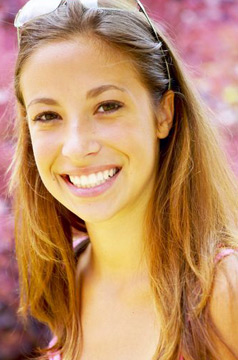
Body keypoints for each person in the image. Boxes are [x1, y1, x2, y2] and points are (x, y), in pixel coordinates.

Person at [10, 0, 238, 359]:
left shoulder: (223, 293)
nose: (77, 147)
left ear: (164, 114)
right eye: (48, 115)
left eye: (107, 106)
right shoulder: (68, 278)